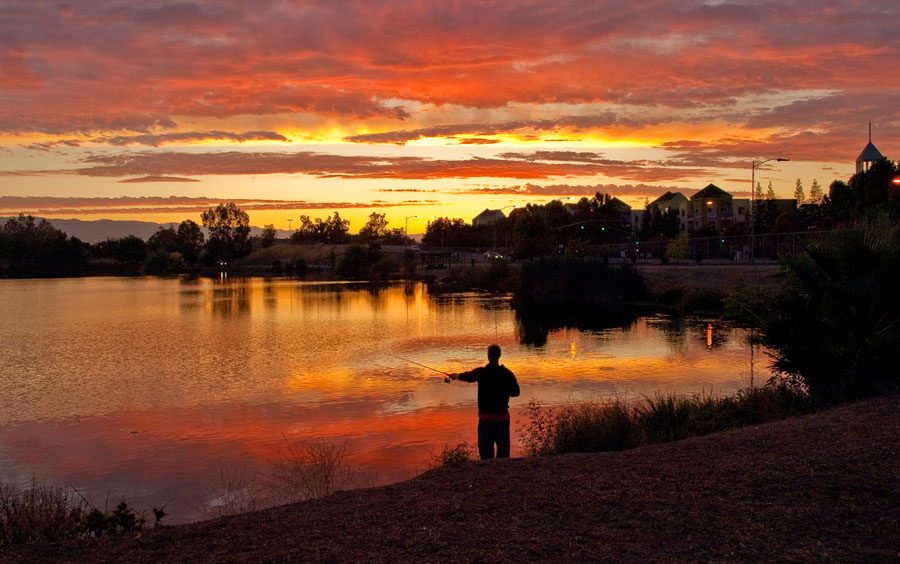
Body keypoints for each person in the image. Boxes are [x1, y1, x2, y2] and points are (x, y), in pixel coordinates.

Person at [449, 344, 520, 459]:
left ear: (488, 356)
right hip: (502, 418)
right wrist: (504, 391)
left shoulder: (481, 372)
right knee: (503, 455)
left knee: (486, 455)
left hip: (486, 420)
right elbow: (516, 392)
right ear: (499, 356)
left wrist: (456, 376)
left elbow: (468, 376)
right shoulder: (507, 373)